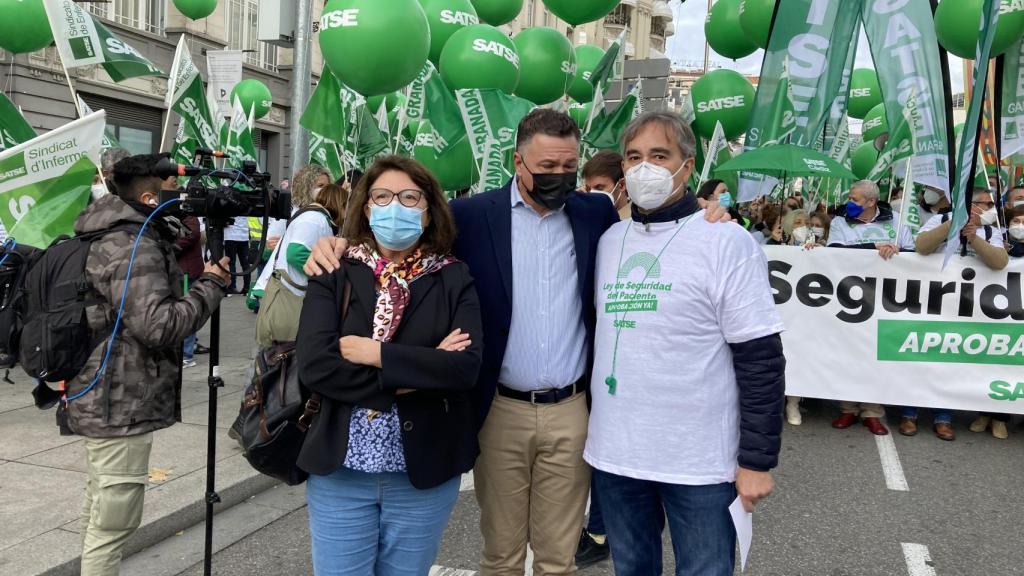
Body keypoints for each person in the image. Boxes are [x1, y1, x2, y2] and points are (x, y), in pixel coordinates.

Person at [302, 110, 731, 575]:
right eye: (547, 168)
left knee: (557, 557)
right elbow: (404, 254)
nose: (559, 177)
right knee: (501, 554)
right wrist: (337, 244)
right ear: (517, 161)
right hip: (500, 408)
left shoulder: (595, 214)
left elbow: (654, 230)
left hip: (572, 408)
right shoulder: (470, 217)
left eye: (569, 167)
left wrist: (707, 212)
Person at [587, 112, 785, 576]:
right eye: (634, 157)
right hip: (616, 456)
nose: (645, 168)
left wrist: (757, 461)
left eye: (660, 156)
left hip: (698, 464)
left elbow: (761, 360)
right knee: (631, 568)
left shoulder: (726, 242)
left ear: (687, 166)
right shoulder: (610, 240)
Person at [296, 155, 483, 575]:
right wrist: (419, 371)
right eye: (382, 196)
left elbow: (463, 369)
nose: (393, 206)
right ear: (365, 206)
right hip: (341, 470)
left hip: (422, 474)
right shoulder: (335, 269)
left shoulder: (453, 278)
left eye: (408, 197)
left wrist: (376, 354)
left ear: (429, 208)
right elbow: (317, 366)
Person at [68, 154, 229, 575]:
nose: (184, 201)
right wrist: (211, 285)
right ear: (147, 195)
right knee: (113, 524)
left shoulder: (113, 231)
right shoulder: (130, 243)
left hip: (107, 395)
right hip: (118, 402)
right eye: (173, 191)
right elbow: (158, 325)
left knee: (101, 511)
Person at [827, 180, 915, 436]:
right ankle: (847, 408)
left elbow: (911, 252)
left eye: (855, 199)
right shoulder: (840, 222)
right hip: (850, 297)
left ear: (871, 202)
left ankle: (872, 411)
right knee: (847, 353)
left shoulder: (896, 221)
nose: (849, 203)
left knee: (876, 354)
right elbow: (834, 251)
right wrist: (873, 248)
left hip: (885, 300)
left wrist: (897, 250)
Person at [254, 182, 347, 346]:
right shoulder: (315, 219)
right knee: (284, 353)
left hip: (288, 293)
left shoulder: (315, 217)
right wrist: (328, 274)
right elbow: (296, 254)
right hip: (289, 295)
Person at [582, 149, 630, 220]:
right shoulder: (588, 221)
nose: (592, 194)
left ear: (622, 185)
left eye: (599, 188)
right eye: (588, 189)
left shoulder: (638, 222)